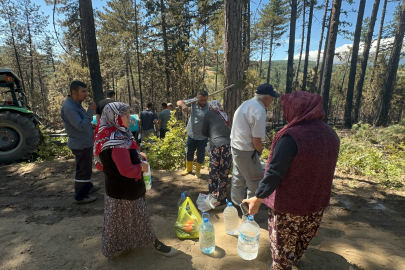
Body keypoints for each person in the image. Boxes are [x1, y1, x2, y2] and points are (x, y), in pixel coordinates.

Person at [243, 91, 340, 270]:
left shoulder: (291, 137)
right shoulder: (331, 134)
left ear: (294, 110)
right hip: (315, 204)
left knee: (282, 253)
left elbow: (274, 172)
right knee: (299, 243)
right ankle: (294, 259)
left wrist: (258, 197)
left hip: (289, 209)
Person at [94, 102, 179, 258]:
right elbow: (126, 169)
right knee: (140, 219)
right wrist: (141, 167)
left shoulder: (108, 133)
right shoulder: (117, 141)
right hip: (126, 190)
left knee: (117, 222)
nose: (129, 117)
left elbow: (121, 156)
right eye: (125, 114)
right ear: (115, 117)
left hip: (115, 190)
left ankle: (114, 248)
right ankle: (156, 244)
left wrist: (138, 156)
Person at [230, 83, 280, 208]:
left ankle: (236, 206)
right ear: (265, 98)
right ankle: (249, 212)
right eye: (272, 98)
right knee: (255, 182)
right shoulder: (259, 111)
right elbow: (256, 141)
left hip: (236, 147)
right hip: (246, 151)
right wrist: (259, 151)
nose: (272, 101)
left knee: (238, 177)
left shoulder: (246, 104)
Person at [60, 81, 100, 204]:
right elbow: (80, 126)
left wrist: (90, 124)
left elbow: (82, 122)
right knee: (83, 170)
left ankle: (87, 186)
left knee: (86, 168)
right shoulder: (69, 107)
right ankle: (80, 196)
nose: (86, 94)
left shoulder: (76, 104)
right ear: (74, 92)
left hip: (84, 143)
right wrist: (90, 111)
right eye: (83, 91)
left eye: (86, 91)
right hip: (80, 144)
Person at [201, 100, 232, 207]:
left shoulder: (209, 113)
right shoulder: (224, 115)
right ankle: (222, 197)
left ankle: (213, 196)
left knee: (214, 172)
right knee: (224, 172)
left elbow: (203, 131)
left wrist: (210, 134)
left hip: (216, 146)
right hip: (228, 146)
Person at [177, 90, 209, 178]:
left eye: (205, 100)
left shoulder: (209, 107)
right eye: (201, 100)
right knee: (189, 152)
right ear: (197, 98)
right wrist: (183, 105)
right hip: (192, 134)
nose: (203, 102)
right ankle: (188, 169)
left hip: (203, 136)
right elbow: (179, 102)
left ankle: (198, 170)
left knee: (201, 153)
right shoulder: (193, 102)